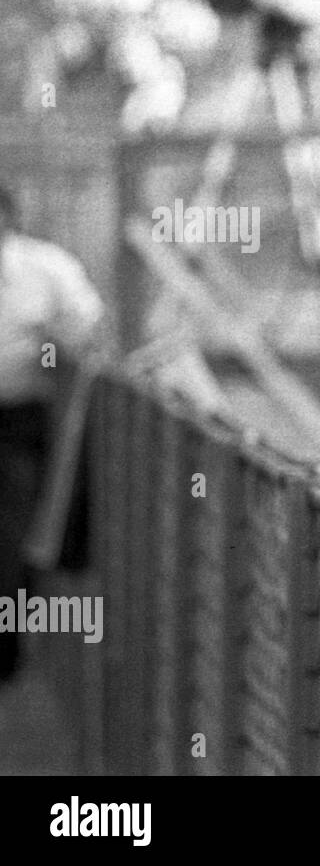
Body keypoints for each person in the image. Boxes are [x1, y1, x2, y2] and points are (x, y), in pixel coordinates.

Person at [0, 184, 104, 681]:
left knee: (12, 533)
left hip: (18, 420)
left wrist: (60, 343)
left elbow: (87, 330)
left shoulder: (46, 269)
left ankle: (6, 652)